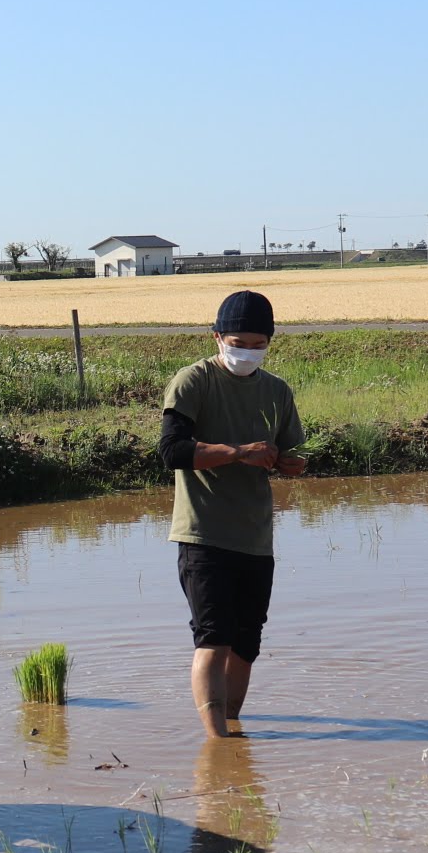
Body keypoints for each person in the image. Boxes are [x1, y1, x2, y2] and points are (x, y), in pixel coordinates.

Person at [158, 290, 308, 737]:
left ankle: (233, 734)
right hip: (204, 534)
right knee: (214, 638)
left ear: (270, 343)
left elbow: (296, 451)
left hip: (255, 537)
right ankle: (217, 744)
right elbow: (173, 451)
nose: (247, 353)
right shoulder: (193, 381)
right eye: (238, 343)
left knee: (246, 644)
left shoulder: (277, 390)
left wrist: (292, 463)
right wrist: (240, 452)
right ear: (218, 337)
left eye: (258, 344)